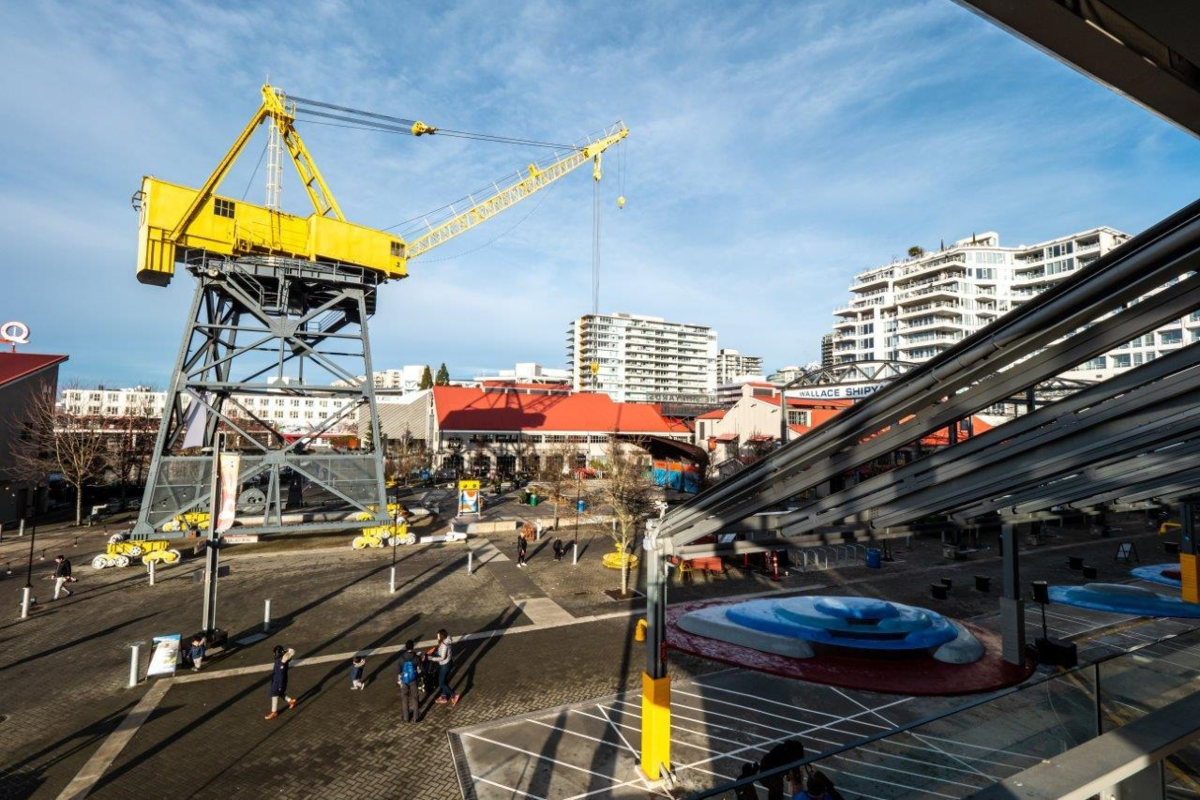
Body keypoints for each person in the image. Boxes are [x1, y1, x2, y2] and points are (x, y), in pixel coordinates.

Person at [265, 645, 298, 719]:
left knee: (274, 694)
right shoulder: (284, 660)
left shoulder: (281, 662)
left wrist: (280, 685)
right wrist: (286, 651)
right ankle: (290, 701)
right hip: (279, 680)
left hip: (278, 681)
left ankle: (274, 712)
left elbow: (280, 675)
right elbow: (292, 651)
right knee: (280, 693)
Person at [431, 629, 459, 706]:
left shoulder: (444, 645)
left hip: (444, 665)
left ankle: (454, 695)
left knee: (441, 682)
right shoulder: (446, 641)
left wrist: (432, 658)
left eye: (438, 636)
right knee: (444, 680)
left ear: (442, 636)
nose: (437, 637)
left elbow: (442, 657)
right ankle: (444, 697)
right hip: (448, 663)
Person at [397, 640, 420, 722]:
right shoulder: (416, 657)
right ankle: (416, 717)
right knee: (415, 698)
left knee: (404, 698)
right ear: (413, 647)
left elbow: (399, 669)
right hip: (413, 679)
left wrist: (400, 677)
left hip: (404, 679)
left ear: (406, 647)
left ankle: (406, 717)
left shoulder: (401, 657)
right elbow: (420, 668)